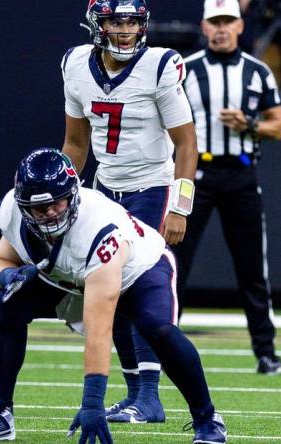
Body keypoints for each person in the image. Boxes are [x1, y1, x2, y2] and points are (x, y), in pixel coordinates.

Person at [0, 149, 226, 443]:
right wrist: (9, 277)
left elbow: (99, 328)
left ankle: (207, 417)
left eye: (56, 203)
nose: (49, 213)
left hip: (138, 271)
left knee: (157, 329)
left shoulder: (97, 229)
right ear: (23, 207)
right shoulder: (14, 212)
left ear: (73, 194)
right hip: (71, 276)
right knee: (11, 302)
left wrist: (92, 403)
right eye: (40, 207)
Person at [61, 0, 199, 423]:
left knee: (139, 289)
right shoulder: (76, 65)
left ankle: (150, 394)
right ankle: (136, 391)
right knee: (106, 294)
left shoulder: (159, 67)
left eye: (132, 22)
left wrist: (180, 206)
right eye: (115, 22)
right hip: (104, 190)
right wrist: (64, 194)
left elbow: (187, 144)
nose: (124, 31)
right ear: (96, 25)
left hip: (152, 188)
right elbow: (76, 144)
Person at [173, 0, 281, 375]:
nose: (221, 29)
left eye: (228, 21)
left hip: (240, 177)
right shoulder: (183, 70)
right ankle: (162, 343)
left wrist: (249, 125)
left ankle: (266, 353)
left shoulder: (257, 72)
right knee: (174, 264)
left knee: (253, 268)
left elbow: (279, 126)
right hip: (195, 175)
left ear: (240, 26)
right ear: (204, 27)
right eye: (214, 22)